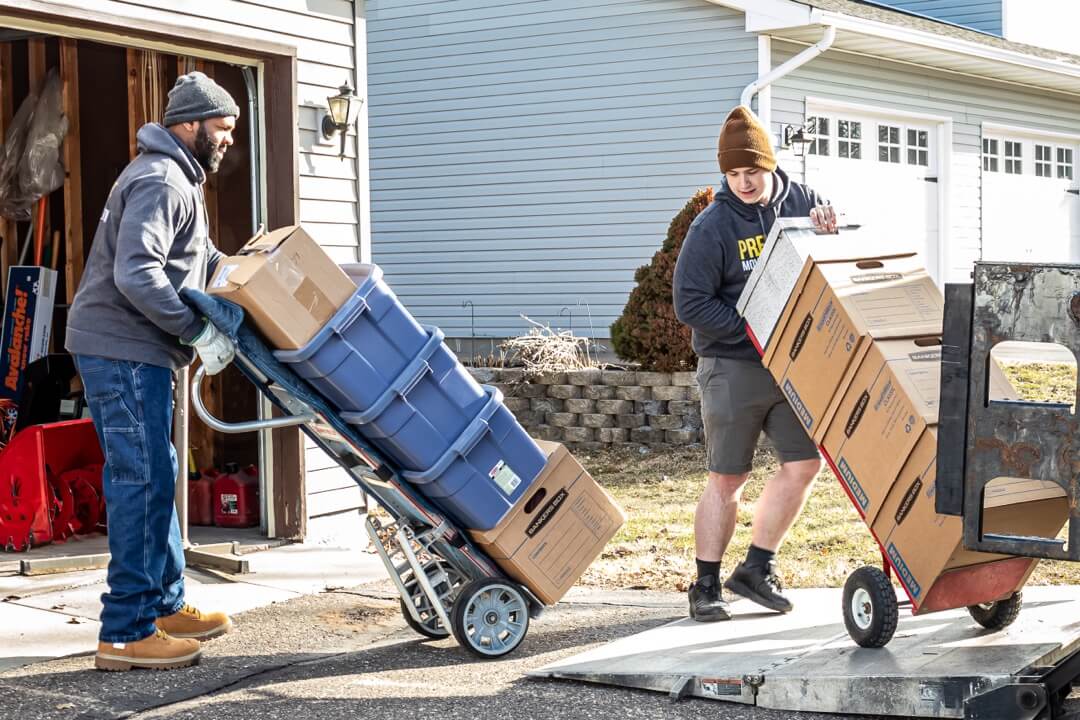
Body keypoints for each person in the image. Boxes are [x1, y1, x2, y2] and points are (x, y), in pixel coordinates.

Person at [66, 71, 241, 670]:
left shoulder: (179, 178)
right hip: (123, 350)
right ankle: (125, 631)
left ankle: (163, 605)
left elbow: (195, 258)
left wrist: (250, 272)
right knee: (140, 481)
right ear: (189, 124)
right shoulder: (162, 179)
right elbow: (137, 272)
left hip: (137, 350)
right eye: (221, 127)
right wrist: (195, 329)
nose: (228, 139)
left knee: (156, 475)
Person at [672, 105, 838, 622]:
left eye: (753, 171)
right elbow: (689, 303)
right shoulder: (712, 226)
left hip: (791, 365)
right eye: (734, 174)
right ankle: (705, 585)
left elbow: (831, 255)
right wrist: (753, 329)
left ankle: (757, 568)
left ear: (771, 164)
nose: (744, 183)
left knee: (804, 464)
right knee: (728, 478)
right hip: (733, 365)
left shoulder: (803, 202)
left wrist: (831, 230)